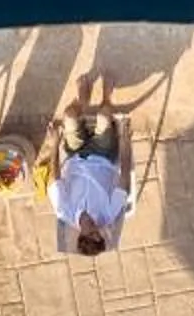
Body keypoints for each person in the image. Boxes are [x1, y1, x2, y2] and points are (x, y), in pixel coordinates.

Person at [52, 88, 134, 257]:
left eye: (91, 232)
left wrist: (54, 142)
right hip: (103, 156)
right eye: (99, 233)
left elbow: (55, 176)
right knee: (104, 115)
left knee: (69, 115)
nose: (96, 228)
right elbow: (125, 174)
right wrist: (124, 139)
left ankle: (82, 101)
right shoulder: (110, 213)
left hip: (75, 155)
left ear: (81, 235)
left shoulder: (64, 211)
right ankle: (106, 96)